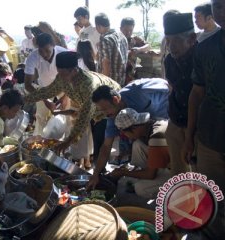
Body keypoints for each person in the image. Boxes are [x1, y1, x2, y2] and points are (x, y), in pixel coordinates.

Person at [24, 51, 121, 158]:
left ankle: (99, 168)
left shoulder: (87, 84)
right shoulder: (61, 77)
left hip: (109, 105)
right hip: (92, 108)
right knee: (92, 135)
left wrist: (68, 141)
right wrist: (23, 100)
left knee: (101, 140)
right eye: (58, 73)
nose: (61, 77)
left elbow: (84, 117)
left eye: (64, 74)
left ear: (74, 70)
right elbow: (47, 92)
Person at [185, 0, 225, 238]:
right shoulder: (205, 48)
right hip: (210, 140)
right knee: (212, 199)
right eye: (218, 6)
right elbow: (197, 93)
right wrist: (190, 137)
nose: (223, 11)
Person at [87, 78, 169, 189]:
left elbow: (167, 85)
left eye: (106, 109)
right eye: (102, 110)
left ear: (115, 99)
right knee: (138, 145)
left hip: (168, 123)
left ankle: (163, 175)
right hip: (153, 131)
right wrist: (95, 174)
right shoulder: (112, 116)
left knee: (142, 188)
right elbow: (106, 146)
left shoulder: (138, 90)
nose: (105, 114)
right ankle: (149, 171)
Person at [110, 108, 170, 200]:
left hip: (179, 171)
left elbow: (151, 175)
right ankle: (144, 173)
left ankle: (172, 195)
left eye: (124, 133)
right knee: (138, 144)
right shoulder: (150, 124)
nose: (124, 136)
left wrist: (123, 172)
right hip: (167, 160)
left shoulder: (156, 137)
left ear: (134, 128)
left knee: (140, 188)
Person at [163, 12, 196, 176]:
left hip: (199, 126)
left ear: (191, 39)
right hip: (176, 121)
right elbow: (171, 87)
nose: (171, 46)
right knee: (178, 171)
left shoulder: (202, 58)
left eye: (176, 40)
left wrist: (190, 134)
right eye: (168, 41)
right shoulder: (169, 60)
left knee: (200, 173)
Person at [24, 33, 67, 136]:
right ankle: (39, 143)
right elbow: (27, 85)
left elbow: (73, 80)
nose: (44, 55)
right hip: (44, 89)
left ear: (53, 45)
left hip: (64, 87)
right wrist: (45, 100)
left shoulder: (63, 54)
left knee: (68, 114)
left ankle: (66, 143)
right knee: (40, 117)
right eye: (41, 51)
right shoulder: (33, 57)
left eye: (47, 51)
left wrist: (66, 96)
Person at [95, 13, 128, 86]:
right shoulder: (122, 36)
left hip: (110, 84)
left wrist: (103, 85)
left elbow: (106, 64)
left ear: (98, 26)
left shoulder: (106, 40)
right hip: (121, 81)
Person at [120, 17, 150, 84]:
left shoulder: (135, 39)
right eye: (125, 30)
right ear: (120, 29)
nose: (128, 32)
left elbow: (148, 46)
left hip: (134, 75)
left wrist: (139, 50)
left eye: (130, 30)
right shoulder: (117, 40)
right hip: (120, 74)